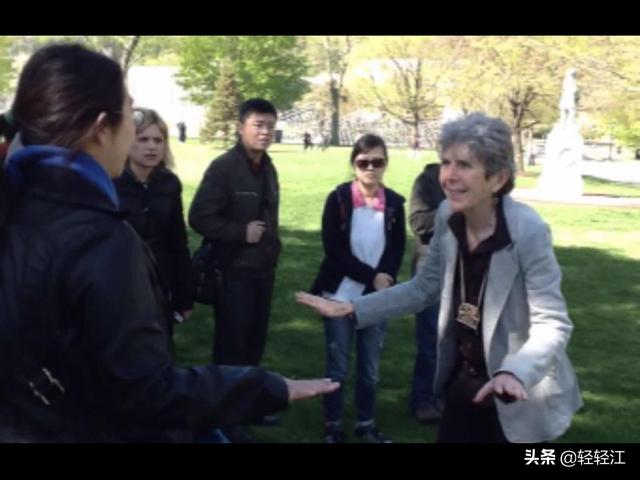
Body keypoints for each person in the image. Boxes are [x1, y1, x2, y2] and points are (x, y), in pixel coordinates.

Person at [0, 44, 338, 443]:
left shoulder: (19, 206)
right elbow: (145, 391)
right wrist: (265, 387)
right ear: (101, 127)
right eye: (131, 114)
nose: (137, 134)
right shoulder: (100, 240)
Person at [297, 112, 583, 443]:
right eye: (446, 162)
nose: (448, 176)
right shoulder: (448, 214)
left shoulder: (527, 230)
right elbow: (423, 288)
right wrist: (353, 308)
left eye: (464, 165)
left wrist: (515, 372)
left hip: (517, 389)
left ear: (498, 178)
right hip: (464, 380)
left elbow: (553, 323)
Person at [188, 98, 283, 441]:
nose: (265, 132)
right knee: (232, 346)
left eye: (270, 125)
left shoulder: (268, 167)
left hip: (263, 272)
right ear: (241, 127)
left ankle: (247, 406)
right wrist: (240, 232)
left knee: (254, 343)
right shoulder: (224, 167)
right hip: (233, 272)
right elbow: (199, 216)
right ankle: (225, 416)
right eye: (258, 125)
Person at [309, 134, 405, 443]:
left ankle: (366, 423)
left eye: (378, 162)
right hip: (338, 295)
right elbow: (334, 251)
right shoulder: (338, 199)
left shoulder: (394, 203)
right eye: (364, 163)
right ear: (354, 165)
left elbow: (397, 248)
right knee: (337, 366)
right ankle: (333, 425)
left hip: (376, 299)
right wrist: (371, 276)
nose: (371, 168)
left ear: (386, 164)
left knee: (370, 369)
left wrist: (385, 276)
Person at [114, 108, 194, 353]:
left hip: (161, 282)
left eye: (158, 140)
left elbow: (178, 240)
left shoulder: (169, 183)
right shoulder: (111, 182)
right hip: (121, 282)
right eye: (143, 139)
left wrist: (184, 295)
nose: (152, 147)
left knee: (160, 352)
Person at [407, 162, 445, 425]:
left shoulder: (476, 178)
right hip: (430, 264)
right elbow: (418, 222)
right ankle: (423, 399)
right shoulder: (428, 180)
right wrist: (452, 209)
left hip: (464, 266)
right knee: (430, 337)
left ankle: (446, 396)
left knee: (459, 337)